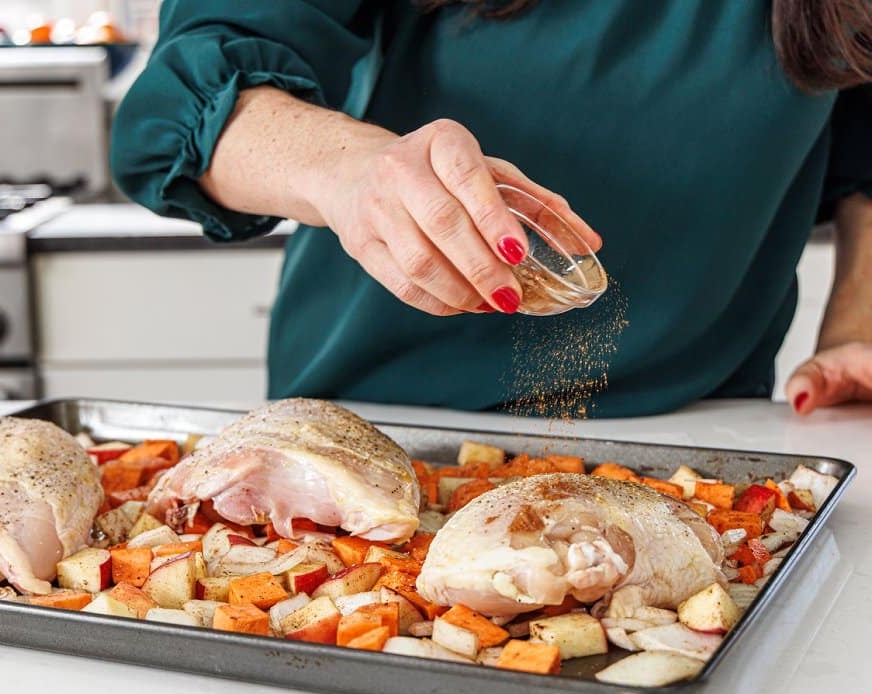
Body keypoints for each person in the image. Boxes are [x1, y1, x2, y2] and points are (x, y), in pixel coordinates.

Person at [110, 0, 872, 417]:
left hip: (702, 438)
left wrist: (860, 328)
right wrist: (353, 169)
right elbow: (188, 99)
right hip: (384, 428)